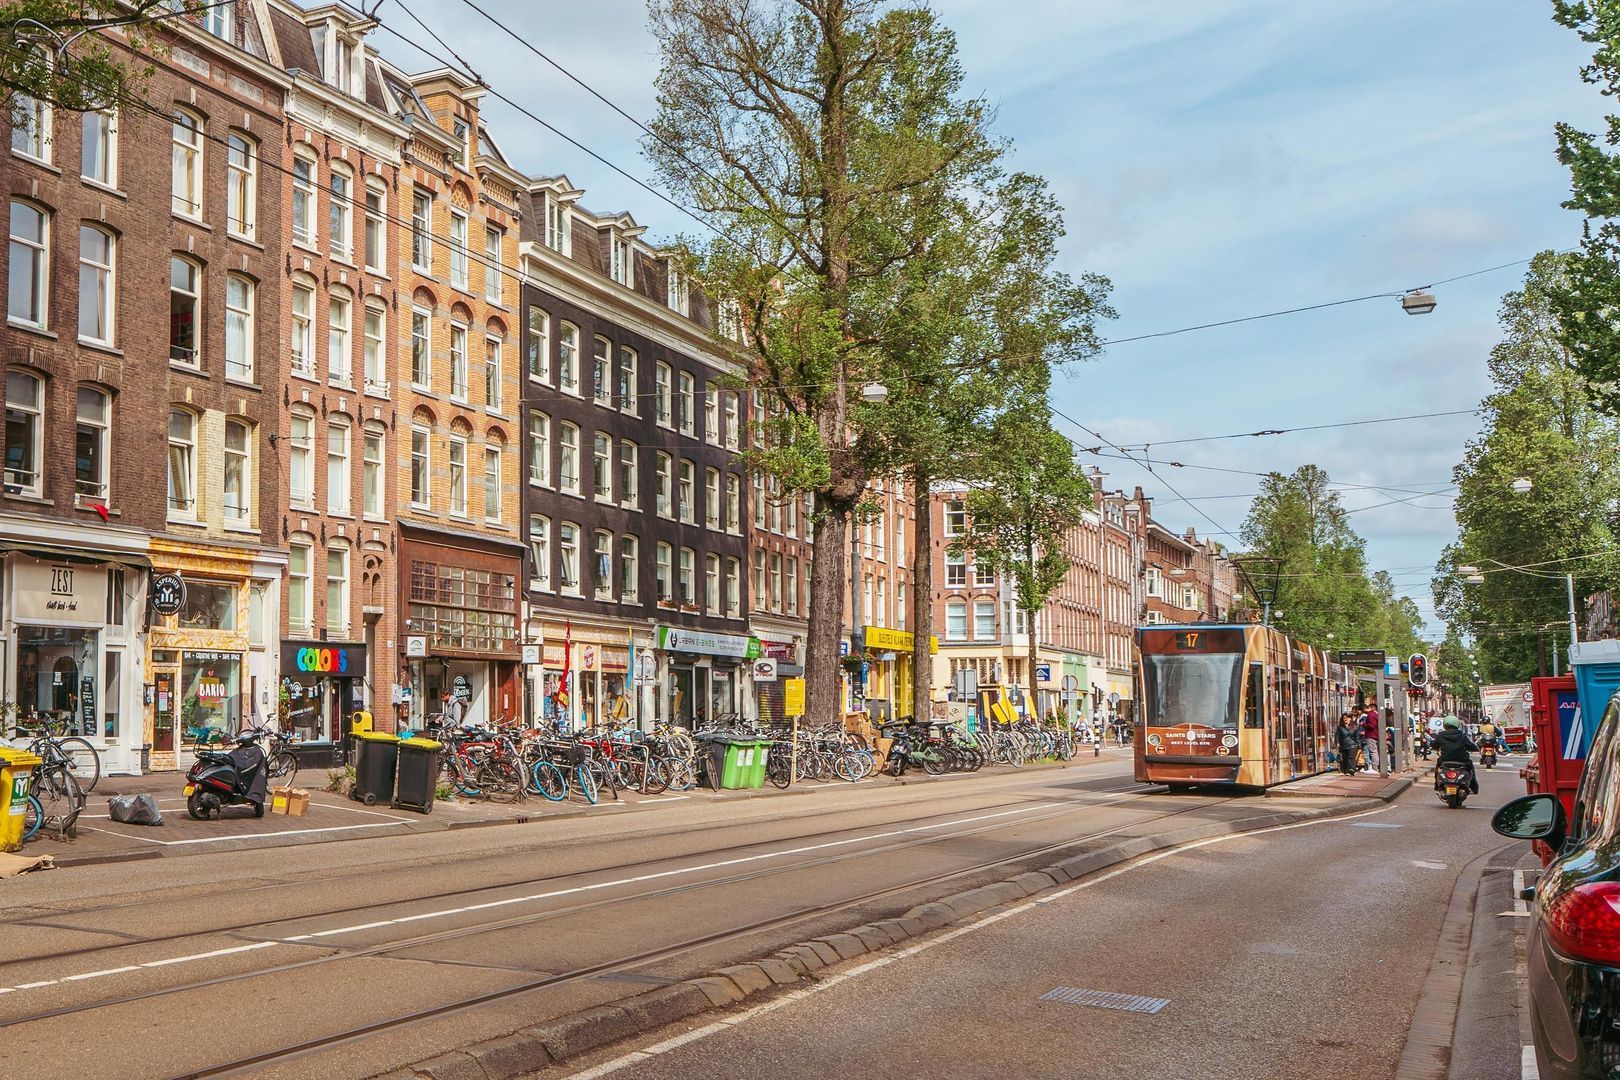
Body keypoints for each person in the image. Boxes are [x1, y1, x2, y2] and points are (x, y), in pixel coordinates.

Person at [1431, 716, 1480, 794]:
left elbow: (1434, 745)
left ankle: (1437, 785)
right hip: (1462, 760)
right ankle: (1474, 787)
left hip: (1445, 760)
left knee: (1438, 768)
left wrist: (1435, 748)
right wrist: (1474, 749)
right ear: (1457, 725)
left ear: (1445, 725)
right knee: (1470, 769)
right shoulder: (1462, 735)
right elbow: (1472, 746)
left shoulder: (1441, 735)